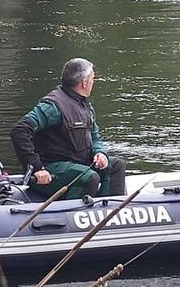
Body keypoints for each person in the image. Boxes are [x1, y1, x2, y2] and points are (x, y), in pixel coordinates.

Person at [11, 57, 126, 200]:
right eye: (92, 79)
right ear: (84, 83)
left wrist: (100, 153)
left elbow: (94, 136)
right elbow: (20, 130)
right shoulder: (53, 107)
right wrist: (36, 167)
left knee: (116, 166)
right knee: (89, 177)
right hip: (51, 170)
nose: (92, 83)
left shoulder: (85, 106)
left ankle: (110, 210)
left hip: (77, 165)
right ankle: (76, 214)